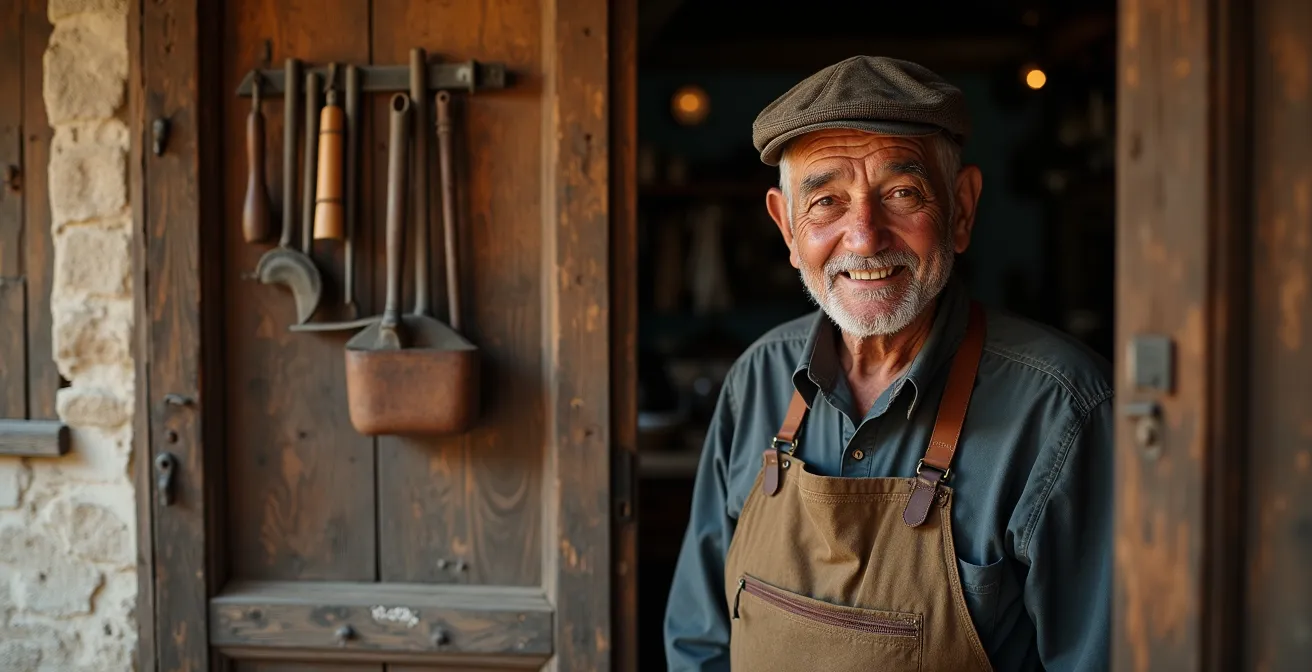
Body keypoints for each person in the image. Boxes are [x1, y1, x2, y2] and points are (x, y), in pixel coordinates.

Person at [663, 55, 1113, 671]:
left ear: (961, 208)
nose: (865, 236)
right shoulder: (757, 379)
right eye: (826, 201)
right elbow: (698, 643)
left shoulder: (1062, 409)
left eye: (902, 194)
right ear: (787, 227)